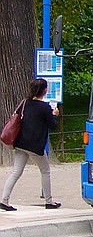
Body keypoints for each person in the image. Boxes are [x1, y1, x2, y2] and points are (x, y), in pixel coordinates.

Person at [1, 78, 61, 211]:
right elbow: (53, 125)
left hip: (21, 143)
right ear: (44, 91)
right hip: (35, 145)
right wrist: (55, 114)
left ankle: (4, 200)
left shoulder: (25, 103)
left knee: (16, 172)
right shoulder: (45, 108)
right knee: (45, 171)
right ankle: (49, 201)